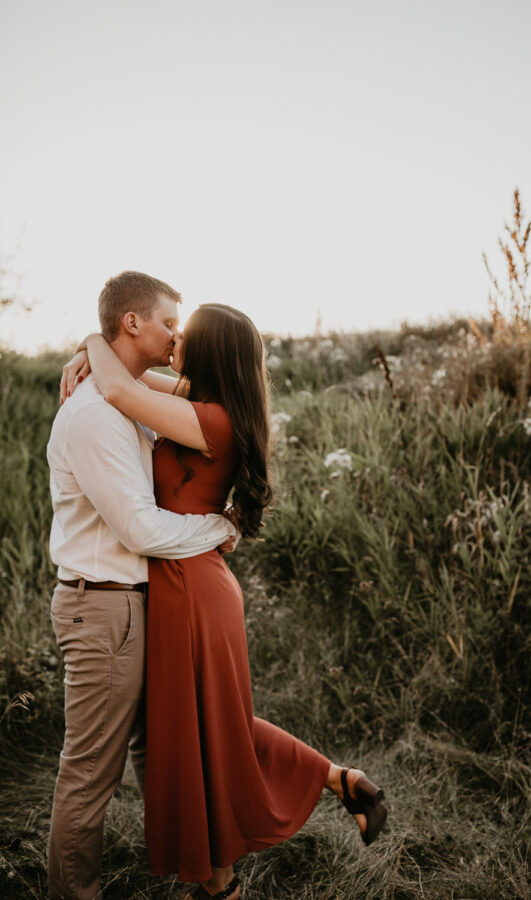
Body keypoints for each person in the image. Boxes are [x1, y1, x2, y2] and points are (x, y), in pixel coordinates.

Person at [65, 302, 387, 900]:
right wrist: (92, 350)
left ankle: (222, 886)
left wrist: (91, 338)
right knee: (210, 725)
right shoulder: (202, 407)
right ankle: (339, 783)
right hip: (189, 582)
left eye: (187, 335)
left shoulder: (208, 420)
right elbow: (127, 376)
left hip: (191, 590)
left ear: (208, 351)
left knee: (204, 729)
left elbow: (115, 385)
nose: (176, 340)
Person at [47, 272, 238, 900]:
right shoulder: (96, 416)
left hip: (135, 605)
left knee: (166, 749)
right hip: (102, 607)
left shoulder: (129, 396)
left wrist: (86, 346)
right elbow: (138, 526)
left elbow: (129, 389)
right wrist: (217, 527)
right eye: (166, 323)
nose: (174, 336)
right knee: (90, 772)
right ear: (132, 323)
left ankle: (200, 874)